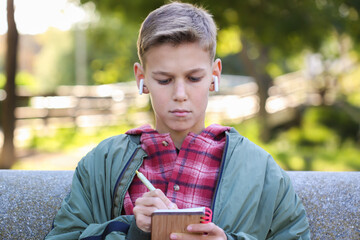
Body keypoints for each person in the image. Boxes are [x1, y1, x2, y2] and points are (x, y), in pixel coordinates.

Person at [46, 2, 310, 239]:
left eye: (194, 78)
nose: (180, 95)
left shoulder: (260, 169)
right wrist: (133, 231)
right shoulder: (101, 163)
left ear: (214, 74)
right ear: (142, 78)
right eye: (164, 80)